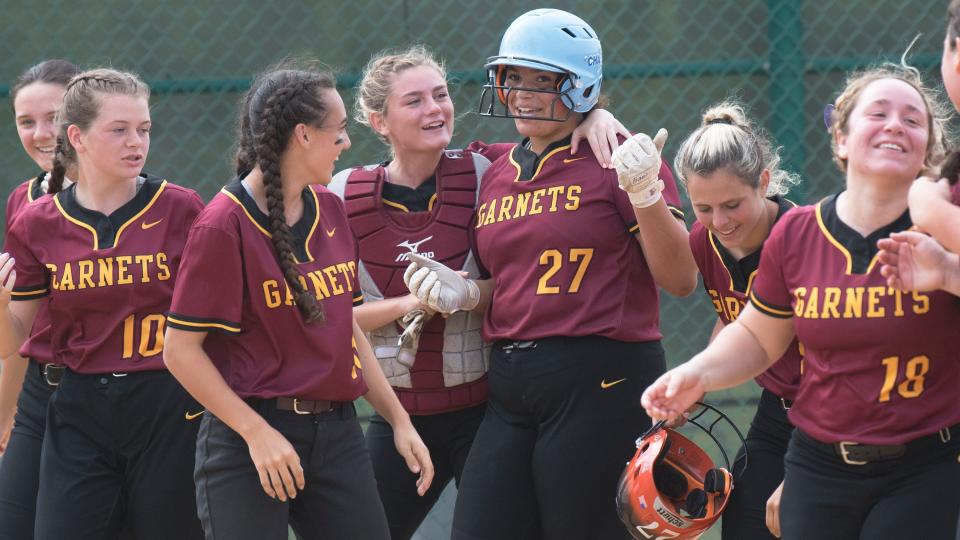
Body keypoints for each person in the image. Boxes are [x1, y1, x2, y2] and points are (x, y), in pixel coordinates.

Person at [404, 9, 697, 539]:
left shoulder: (620, 155)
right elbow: (521, 280)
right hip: (512, 382)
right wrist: (470, 293)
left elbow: (679, 279)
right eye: (513, 77)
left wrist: (645, 192)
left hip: (600, 374)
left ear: (581, 85)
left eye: (543, 79)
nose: (521, 93)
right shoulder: (496, 170)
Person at [642, 62, 960, 539]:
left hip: (921, 462)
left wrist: (950, 268)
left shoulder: (944, 227)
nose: (895, 123)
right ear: (841, 140)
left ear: (928, 146)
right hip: (818, 457)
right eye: (878, 113)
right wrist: (697, 373)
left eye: (913, 119)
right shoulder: (798, 233)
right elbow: (754, 333)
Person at [328, 44, 631, 539]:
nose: (435, 109)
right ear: (377, 121)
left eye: (441, 95)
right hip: (398, 413)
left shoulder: (487, 173)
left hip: (484, 409)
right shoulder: (343, 196)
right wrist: (410, 303)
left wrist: (597, 113)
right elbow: (329, 318)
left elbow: (518, 283)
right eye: (415, 101)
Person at [162, 66, 433, 540]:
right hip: (251, 436)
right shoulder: (222, 225)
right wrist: (256, 433)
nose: (347, 143)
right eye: (340, 130)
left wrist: (398, 419)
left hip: (338, 433)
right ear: (303, 135)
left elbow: (344, 328)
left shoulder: (329, 206)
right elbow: (180, 351)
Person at [0, 68, 205, 539]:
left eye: (144, 129)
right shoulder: (36, 221)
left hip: (167, 404)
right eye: (119, 130)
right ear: (79, 137)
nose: (137, 142)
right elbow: (13, 339)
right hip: (77, 406)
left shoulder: (182, 208)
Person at [674, 101, 803, 540]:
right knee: (746, 518)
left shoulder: (806, 240)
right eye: (703, 207)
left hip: (838, 411)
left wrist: (810, 469)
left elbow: (843, 361)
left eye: (732, 204)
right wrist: (696, 382)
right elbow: (733, 321)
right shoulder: (702, 241)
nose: (720, 222)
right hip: (777, 410)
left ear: (764, 182)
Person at [0, 58, 80, 539]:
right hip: (38, 394)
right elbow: (18, 329)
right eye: (26, 122)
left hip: (116, 396)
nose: (40, 133)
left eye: (52, 117)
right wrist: (3, 414)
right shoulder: (21, 202)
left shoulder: (146, 202)